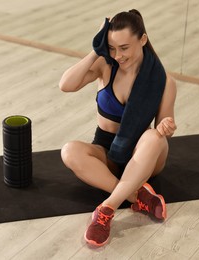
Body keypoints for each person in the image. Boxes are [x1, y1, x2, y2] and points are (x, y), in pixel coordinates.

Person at [59, 9, 177, 247]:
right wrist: (96, 50)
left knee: (154, 138)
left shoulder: (163, 80)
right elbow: (66, 85)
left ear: (142, 39)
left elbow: (164, 124)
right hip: (107, 150)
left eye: (124, 48)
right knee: (69, 151)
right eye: (112, 48)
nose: (118, 55)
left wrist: (166, 126)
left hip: (143, 155)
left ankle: (107, 209)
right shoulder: (106, 66)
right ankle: (137, 196)